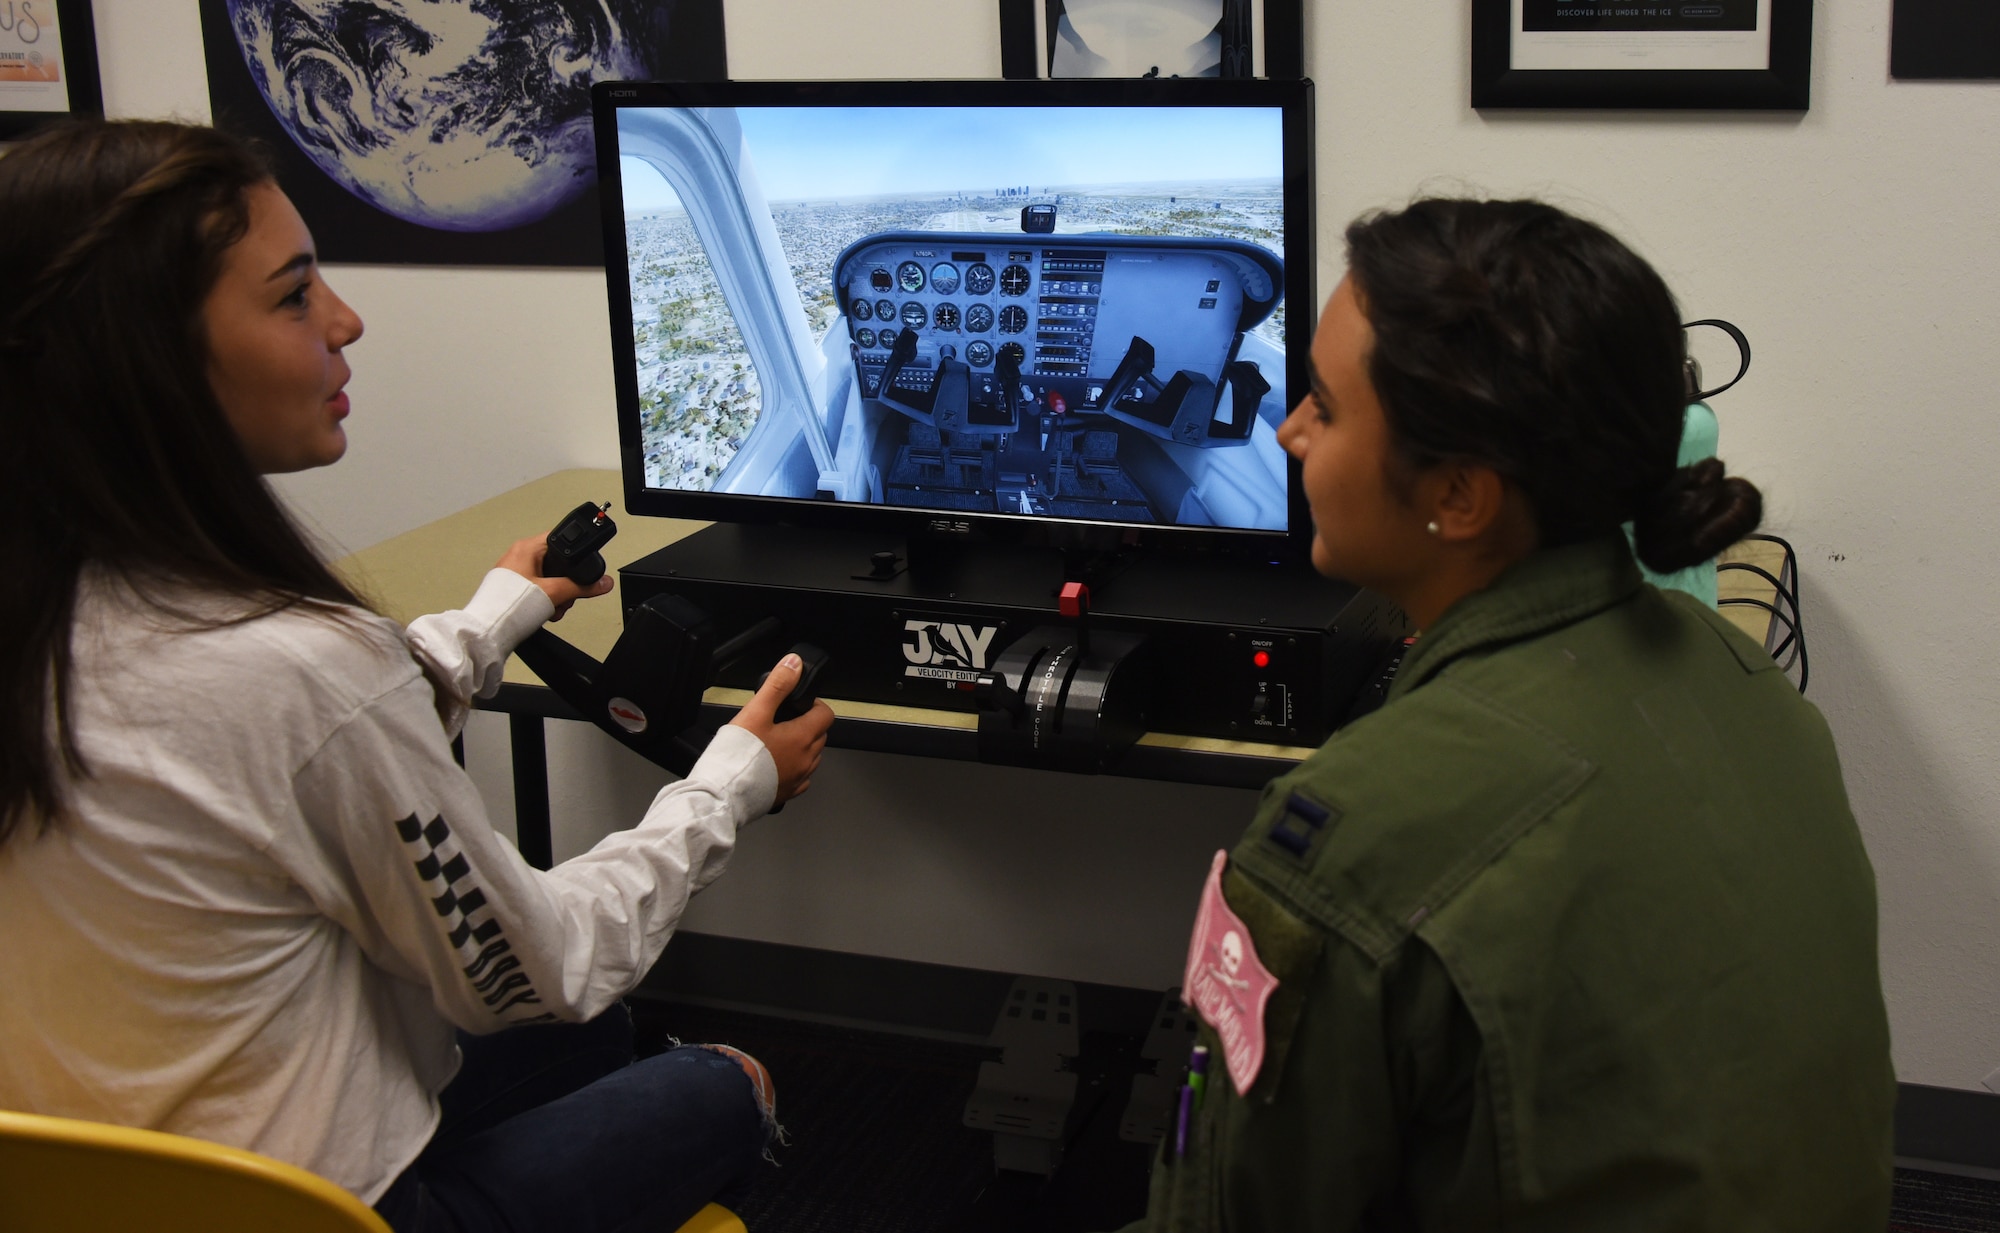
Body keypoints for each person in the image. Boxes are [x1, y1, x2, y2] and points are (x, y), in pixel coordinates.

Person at [0, 119, 836, 1233]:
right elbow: (548, 964)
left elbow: (278, 730)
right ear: (144, 358)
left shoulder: (55, 609)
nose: (346, 320)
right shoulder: (297, 668)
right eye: (295, 294)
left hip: (80, 1187)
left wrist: (497, 617)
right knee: (719, 1078)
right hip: (357, 1208)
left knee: (592, 1042)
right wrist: (728, 785)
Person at [1131, 199, 1893, 1230]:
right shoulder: (1738, 674)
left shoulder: (1350, 834)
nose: (1287, 428)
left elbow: (1224, 1214)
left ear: (1457, 495)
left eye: (1323, 402)